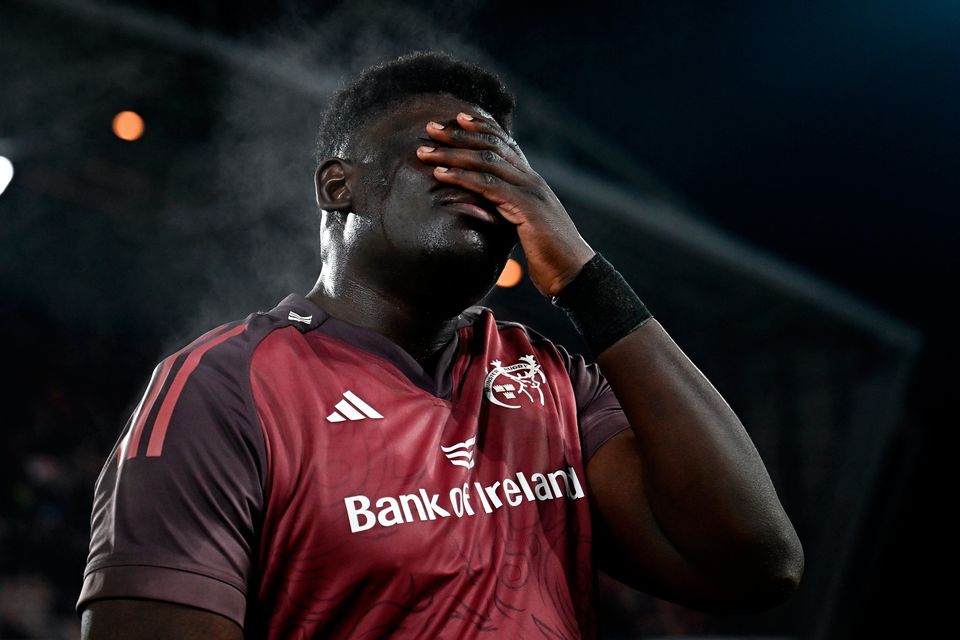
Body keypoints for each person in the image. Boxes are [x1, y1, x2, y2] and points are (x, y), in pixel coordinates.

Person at [76, 51, 804, 639]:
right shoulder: (225, 384)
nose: (482, 181)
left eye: (500, 164)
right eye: (445, 150)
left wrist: (587, 279)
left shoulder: (553, 379)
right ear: (339, 186)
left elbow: (756, 562)